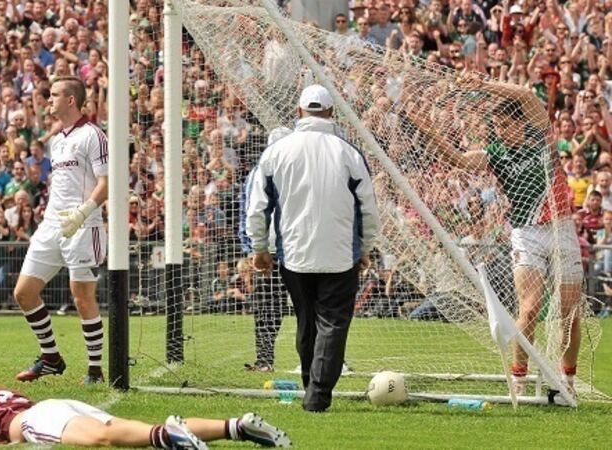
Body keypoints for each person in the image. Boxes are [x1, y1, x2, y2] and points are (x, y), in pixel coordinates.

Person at [407, 75, 584, 396]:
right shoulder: (497, 154)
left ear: (520, 122)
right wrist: (427, 128)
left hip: (562, 230)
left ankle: (567, 382)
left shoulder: (541, 137)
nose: (501, 132)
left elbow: (527, 95)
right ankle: (519, 380)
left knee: (568, 313)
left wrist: (483, 86)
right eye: (497, 127)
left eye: (505, 125)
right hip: (526, 234)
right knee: (529, 308)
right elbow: (459, 160)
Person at [245, 85, 379, 412]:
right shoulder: (349, 153)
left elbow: (257, 206)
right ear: (332, 113)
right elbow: (368, 208)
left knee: (306, 321)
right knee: (332, 323)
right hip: (340, 253)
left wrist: (259, 247)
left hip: (294, 254)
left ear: (299, 111)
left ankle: (312, 386)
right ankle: (317, 394)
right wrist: (366, 247)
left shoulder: (276, 152)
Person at [0, 362, 290, 449]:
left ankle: (170, 436)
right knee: (124, 429)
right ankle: (236, 426)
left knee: (102, 439)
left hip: (34, 419)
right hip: (57, 403)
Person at [13, 76, 109, 384]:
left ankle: (95, 370)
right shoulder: (56, 140)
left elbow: (107, 184)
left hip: (83, 226)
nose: (48, 99)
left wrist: (82, 213)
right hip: (52, 225)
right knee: (24, 293)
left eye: (54, 95)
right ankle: (51, 358)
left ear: (70, 100)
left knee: (82, 297)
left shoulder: (93, 135)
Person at [239, 126, 292, 372]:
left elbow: (247, 212)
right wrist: (251, 249)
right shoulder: (260, 173)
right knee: (271, 307)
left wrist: (251, 248)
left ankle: (265, 360)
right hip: (282, 250)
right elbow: (248, 212)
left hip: (277, 250)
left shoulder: (259, 173)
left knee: (269, 307)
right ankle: (265, 359)